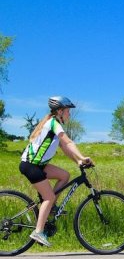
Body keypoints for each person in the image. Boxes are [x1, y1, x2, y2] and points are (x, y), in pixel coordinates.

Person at [19, 96, 93, 247]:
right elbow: (69, 142)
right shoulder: (54, 123)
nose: (69, 114)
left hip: (39, 165)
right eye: (68, 111)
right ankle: (38, 232)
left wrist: (78, 161)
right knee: (48, 197)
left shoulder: (54, 124)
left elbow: (65, 148)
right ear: (60, 111)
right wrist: (83, 157)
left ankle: (50, 206)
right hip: (31, 166)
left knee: (64, 175)